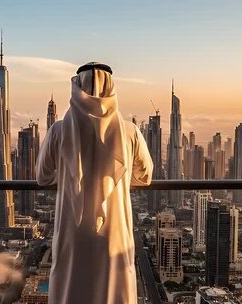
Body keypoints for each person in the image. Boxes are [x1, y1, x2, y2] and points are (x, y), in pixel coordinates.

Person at [36, 62, 154, 303]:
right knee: (114, 288)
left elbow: (42, 176)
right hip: (114, 231)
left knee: (72, 286)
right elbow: (146, 176)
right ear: (111, 88)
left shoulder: (58, 131)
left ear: (77, 87)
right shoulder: (129, 131)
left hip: (73, 230)